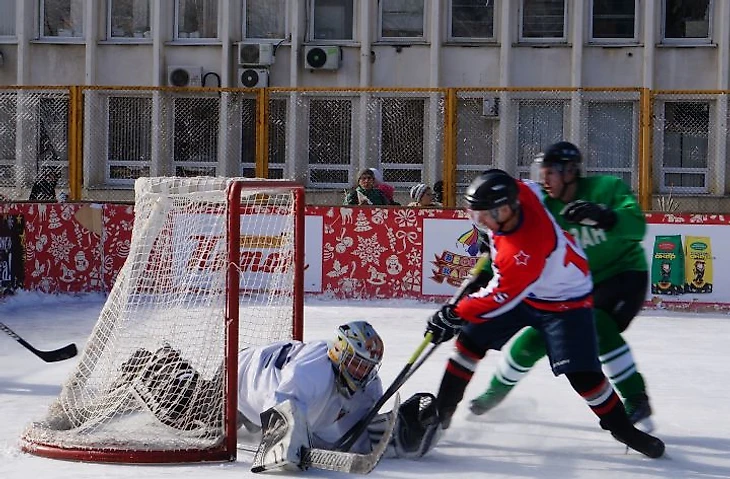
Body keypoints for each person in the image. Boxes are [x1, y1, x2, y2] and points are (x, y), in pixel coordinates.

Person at [424, 169, 665, 458]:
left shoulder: (525, 246)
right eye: (476, 216)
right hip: (531, 287)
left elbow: (499, 295)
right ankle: (441, 416)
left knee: (583, 375)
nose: (482, 224)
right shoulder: (522, 193)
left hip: (564, 301)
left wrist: (455, 312)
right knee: (469, 341)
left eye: (485, 216)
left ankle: (623, 429)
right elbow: (522, 185)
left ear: (506, 209)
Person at [469, 142, 654, 431]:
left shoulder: (608, 188)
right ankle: (496, 392)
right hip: (575, 285)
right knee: (534, 337)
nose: (544, 180)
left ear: (570, 172)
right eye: (540, 173)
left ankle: (635, 398)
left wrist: (605, 215)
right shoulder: (544, 203)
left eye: (550, 173)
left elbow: (638, 227)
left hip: (622, 276)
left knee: (598, 324)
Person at [108, 321, 439, 471]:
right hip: (241, 378)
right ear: (339, 352)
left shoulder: (367, 385)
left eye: (367, 367)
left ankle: (169, 362)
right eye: (354, 362)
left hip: (259, 385)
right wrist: (286, 445)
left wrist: (397, 434)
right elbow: (281, 402)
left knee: (218, 416)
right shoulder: (315, 370)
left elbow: (352, 433)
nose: (360, 373)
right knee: (189, 418)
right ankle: (146, 367)